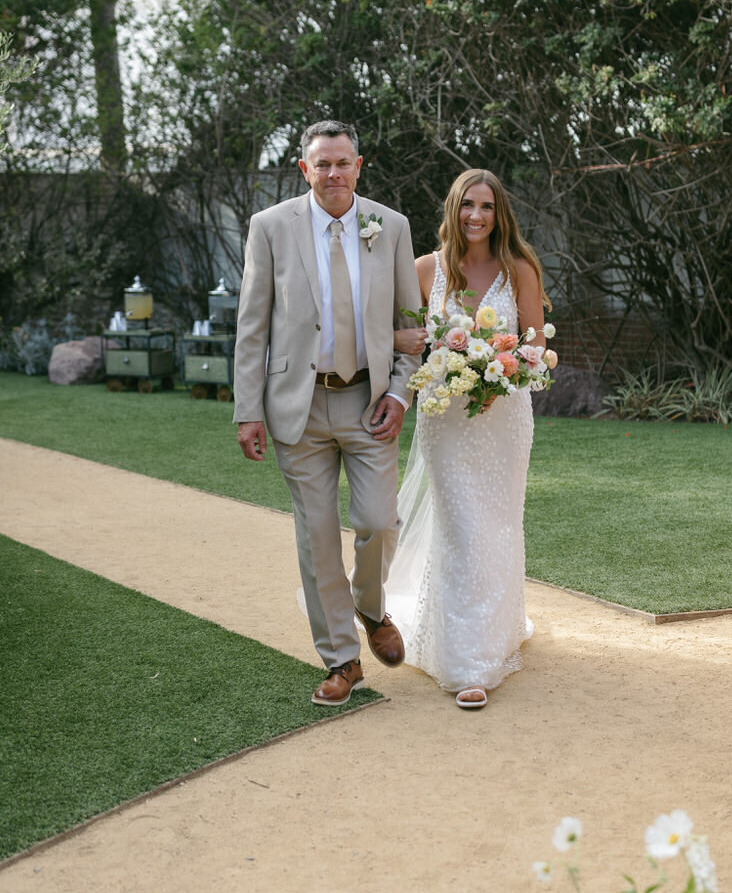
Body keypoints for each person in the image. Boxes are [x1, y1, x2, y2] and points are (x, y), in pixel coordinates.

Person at [233, 120, 422, 706]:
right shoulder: (270, 228)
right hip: (299, 407)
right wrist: (248, 410)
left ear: (359, 167)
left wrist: (399, 393)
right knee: (316, 539)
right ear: (304, 169)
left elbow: (413, 329)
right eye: (323, 164)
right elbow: (252, 324)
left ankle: (371, 607)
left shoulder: (390, 226)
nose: (334, 173)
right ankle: (342, 659)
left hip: (370, 403)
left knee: (378, 521)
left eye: (343, 163)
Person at [386, 169, 552, 709]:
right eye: (466, 205)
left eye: (485, 206)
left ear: (498, 213)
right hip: (446, 420)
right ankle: (469, 662)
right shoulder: (424, 271)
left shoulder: (518, 269)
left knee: (499, 526)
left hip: (505, 419)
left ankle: (496, 631)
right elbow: (406, 342)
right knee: (461, 529)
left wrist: (507, 365)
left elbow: (537, 348)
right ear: (453, 209)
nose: (475, 216)